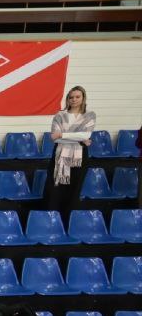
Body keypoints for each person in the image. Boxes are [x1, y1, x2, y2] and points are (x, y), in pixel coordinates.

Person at [46, 85, 95, 221]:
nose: (74, 99)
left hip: (79, 157)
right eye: (71, 97)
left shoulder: (89, 115)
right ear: (67, 99)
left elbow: (86, 134)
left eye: (77, 97)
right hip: (59, 156)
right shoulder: (60, 115)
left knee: (74, 191)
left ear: (83, 98)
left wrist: (63, 134)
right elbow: (54, 137)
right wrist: (80, 138)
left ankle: (69, 222)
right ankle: (54, 222)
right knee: (55, 191)